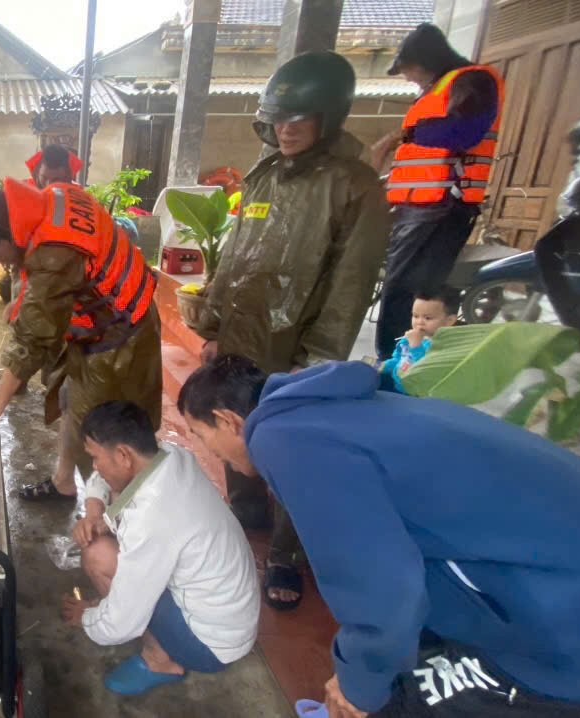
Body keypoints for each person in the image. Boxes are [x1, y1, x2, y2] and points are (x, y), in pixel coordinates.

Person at [179, 355, 580, 718]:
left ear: (227, 419)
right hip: (568, 575)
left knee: (388, 705)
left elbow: (381, 588)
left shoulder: (284, 438)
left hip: (576, 631)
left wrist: (357, 685)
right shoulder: (333, 410)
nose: (212, 454)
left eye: (200, 434)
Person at [188, 51, 390, 610]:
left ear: (331, 116)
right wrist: (212, 324)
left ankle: (285, 554)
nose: (286, 130)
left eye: (298, 119)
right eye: (278, 120)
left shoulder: (355, 186)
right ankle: (247, 511)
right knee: (235, 429)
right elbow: (235, 259)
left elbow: (352, 284)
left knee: (292, 451)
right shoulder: (264, 175)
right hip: (240, 337)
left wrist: (318, 360)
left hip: (296, 348)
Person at [0, 179, 161, 501]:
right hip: (115, 320)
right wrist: (22, 302)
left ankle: (119, 521)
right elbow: (48, 270)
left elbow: (32, 340)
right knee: (70, 400)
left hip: (120, 340)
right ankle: (64, 482)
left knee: (104, 435)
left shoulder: (53, 255)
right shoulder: (51, 197)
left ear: (4, 232)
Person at [60, 401, 258, 696]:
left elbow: (119, 626)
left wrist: (87, 619)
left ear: (124, 454)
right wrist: (93, 512)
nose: (95, 467)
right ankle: (159, 644)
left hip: (210, 647)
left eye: (95, 457)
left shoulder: (151, 515)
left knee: (98, 555)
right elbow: (101, 478)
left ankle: (160, 660)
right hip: (233, 620)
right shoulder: (170, 455)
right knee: (115, 497)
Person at [373, 23, 504, 358]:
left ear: (424, 60)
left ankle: (396, 367)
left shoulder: (473, 81)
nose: (407, 78)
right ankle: (399, 363)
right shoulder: (441, 89)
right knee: (405, 290)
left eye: (407, 69)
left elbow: (464, 133)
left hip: (442, 208)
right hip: (419, 209)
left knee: (410, 293)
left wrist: (402, 135)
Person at [379, 285, 460, 394]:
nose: (419, 322)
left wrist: (415, 346)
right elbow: (398, 360)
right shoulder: (409, 338)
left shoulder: (444, 348)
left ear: (449, 321)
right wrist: (381, 366)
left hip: (415, 394)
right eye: (415, 316)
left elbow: (422, 373)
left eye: (427, 318)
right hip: (396, 383)